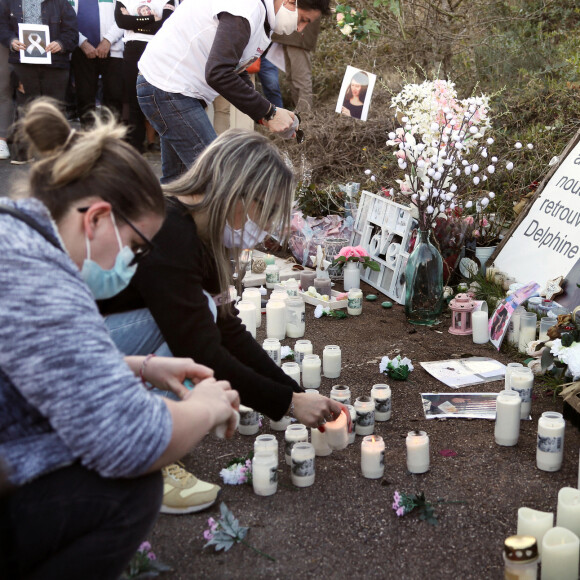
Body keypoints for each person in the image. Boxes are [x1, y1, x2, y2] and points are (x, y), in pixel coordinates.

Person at [0, 99, 239, 579]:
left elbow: (31, 364)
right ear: (96, 219)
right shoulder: (40, 280)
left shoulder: (17, 236)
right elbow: (130, 441)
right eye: (135, 246)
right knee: (130, 490)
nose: (133, 261)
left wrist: (141, 367)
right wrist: (206, 407)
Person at [100, 129, 347, 507]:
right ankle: (145, 458)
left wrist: (294, 394)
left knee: (203, 313)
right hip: (82, 345)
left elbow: (227, 328)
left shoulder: (202, 232)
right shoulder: (170, 230)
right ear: (237, 194)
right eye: (265, 212)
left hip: (116, 341)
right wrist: (287, 403)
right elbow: (199, 350)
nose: (267, 230)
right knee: (188, 323)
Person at [136, 0, 330, 183]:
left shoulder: (260, 16)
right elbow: (219, 73)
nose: (300, 29)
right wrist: (269, 112)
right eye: (303, 20)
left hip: (173, 89)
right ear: (290, 1)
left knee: (180, 181)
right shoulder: (245, 8)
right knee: (218, 177)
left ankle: (172, 217)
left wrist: (267, 113)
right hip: (168, 87)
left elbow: (236, 69)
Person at [0, 0, 78, 162]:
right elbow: (2, 27)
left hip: (56, 63)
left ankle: (55, 153)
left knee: (54, 106)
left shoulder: (61, 3)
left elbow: (72, 32)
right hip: (22, 62)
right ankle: (22, 153)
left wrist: (60, 44)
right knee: (25, 106)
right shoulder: (10, 2)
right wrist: (11, 41)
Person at [114, 0, 174, 153]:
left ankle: (164, 145)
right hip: (132, 49)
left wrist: (134, 23)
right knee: (133, 99)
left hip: (158, 49)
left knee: (160, 98)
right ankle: (136, 146)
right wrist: (153, 19)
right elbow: (122, 22)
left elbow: (166, 24)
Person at [69, 0, 124, 126]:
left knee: (114, 96)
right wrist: (82, 42)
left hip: (113, 50)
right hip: (82, 52)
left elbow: (123, 18)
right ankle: (88, 138)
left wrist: (108, 40)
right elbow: (67, 20)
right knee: (84, 97)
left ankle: (112, 137)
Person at [271, 18, 321, 112]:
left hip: (299, 34)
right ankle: (300, 113)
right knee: (292, 77)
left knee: (300, 78)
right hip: (290, 33)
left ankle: (304, 114)